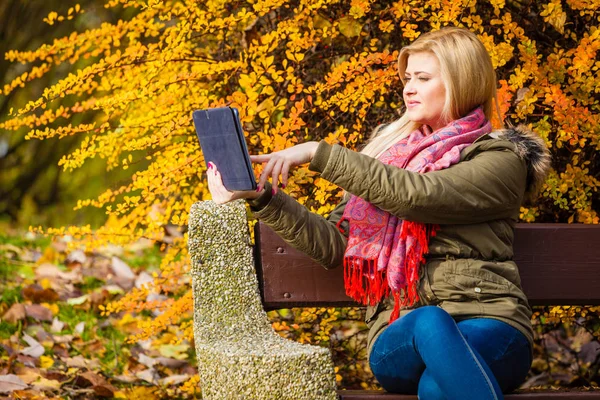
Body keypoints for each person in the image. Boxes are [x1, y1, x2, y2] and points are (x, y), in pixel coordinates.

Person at [206, 27, 550, 400]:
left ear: (461, 81)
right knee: (429, 322)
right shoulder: (389, 155)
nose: (408, 89)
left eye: (423, 78)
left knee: (436, 388)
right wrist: (263, 198)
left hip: (490, 324)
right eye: (407, 78)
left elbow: (417, 196)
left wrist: (317, 153)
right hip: (399, 332)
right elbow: (335, 243)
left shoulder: (500, 161)